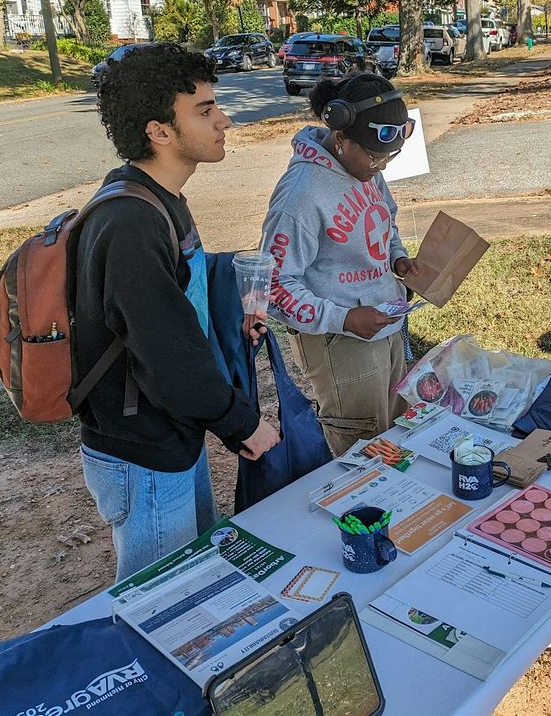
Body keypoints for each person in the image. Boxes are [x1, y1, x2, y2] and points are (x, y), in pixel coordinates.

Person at [77, 43, 279, 581]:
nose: (225, 120)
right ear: (160, 131)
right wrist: (243, 424)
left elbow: (176, 294)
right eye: (206, 111)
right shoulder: (130, 221)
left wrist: (232, 306)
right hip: (142, 450)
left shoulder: (160, 198)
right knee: (159, 601)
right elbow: (168, 356)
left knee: (194, 579)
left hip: (171, 434)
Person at [260, 72, 417, 455]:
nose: (381, 166)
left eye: (390, 157)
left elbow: (386, 221)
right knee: (362, 448)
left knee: (396, 429)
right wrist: (344, 319)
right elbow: (274, 285)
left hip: (384, 323)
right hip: (339, 340)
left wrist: (396, 259)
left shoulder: (364, 168)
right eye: (375, 155)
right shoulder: (302, 193)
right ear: (340, 137)